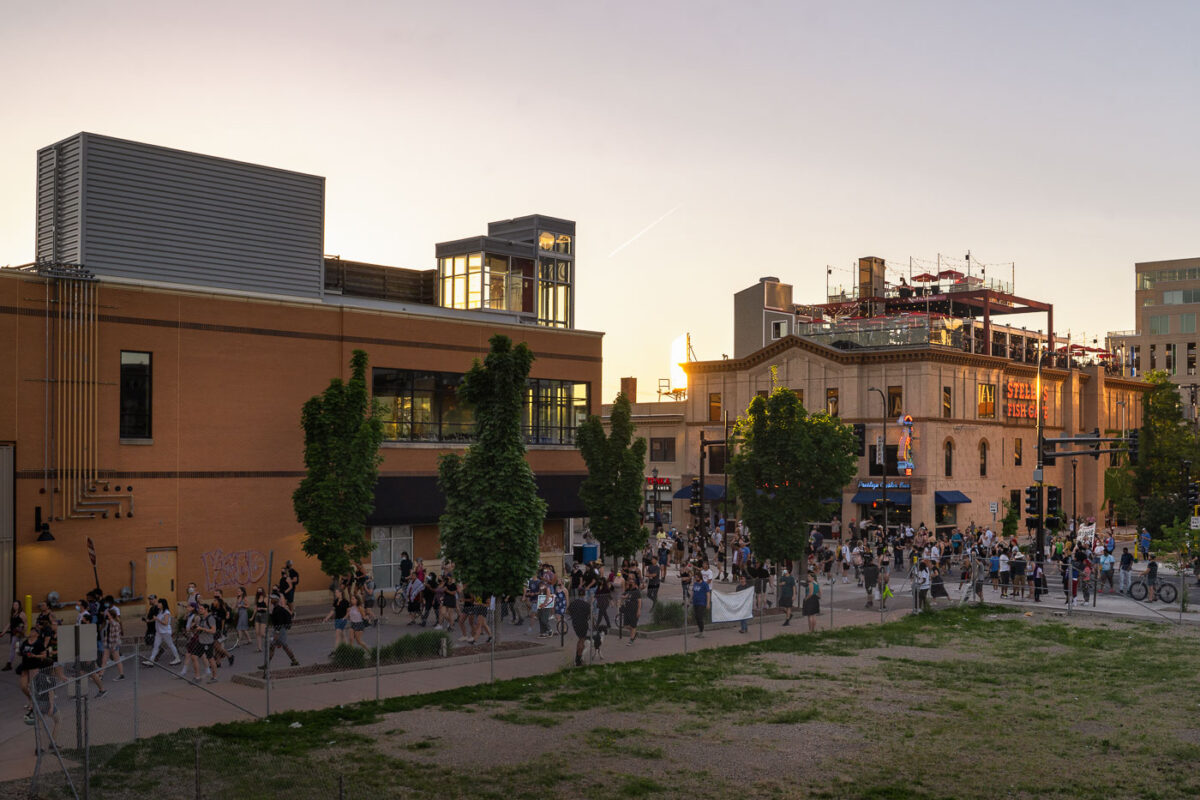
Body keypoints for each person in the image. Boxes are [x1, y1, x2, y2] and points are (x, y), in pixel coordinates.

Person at [264, 593, 300, 671]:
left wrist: (277, 633)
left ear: (276, 600)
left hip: (280, 630)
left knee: (284, 646)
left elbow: (279, 622)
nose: (271, 600)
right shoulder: (276, 608)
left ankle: (294, 661)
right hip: (278, 629)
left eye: (272, 599)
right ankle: (267, 664)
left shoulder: (278, 609)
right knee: (273, 646)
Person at [144, 598, 181, 667]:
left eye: (159, 603)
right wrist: (150, 621)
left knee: (170, 644)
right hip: (159, 632)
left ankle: (177, 658)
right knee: (156, 646)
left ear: (162, 604)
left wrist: (157, 619)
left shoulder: (166, 612)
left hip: (165, 632)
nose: (157, 604)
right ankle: (151, 660)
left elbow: (166, 623)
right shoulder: (160, 611)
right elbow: (156, 619)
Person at [99, 606, 125, 681]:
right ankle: (101, 675)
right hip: (108, 644)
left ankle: (121, 674)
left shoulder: (115, 624)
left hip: (113, 645)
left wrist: (113, 647)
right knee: (104, 660)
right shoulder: (108, 623)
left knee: (117, 660)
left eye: (108, 614)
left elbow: (117, 636)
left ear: (111, 615)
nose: (106, 615)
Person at [567, 596, 592, 667]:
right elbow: (590, 615)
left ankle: (577, 658)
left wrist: (574, 615)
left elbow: (568, 611)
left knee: (580, 639)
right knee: (582, 640)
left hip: (575, 623)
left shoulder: (574, 603)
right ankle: (578, 659)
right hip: (583, 623)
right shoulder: (586, 604)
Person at [2, 600, 27, 671]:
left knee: (13, 648)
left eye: (16, 605)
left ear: (19, 606)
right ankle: (27, 656)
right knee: (18, 650)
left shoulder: (22, 614)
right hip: (13, 634)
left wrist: (23, 632)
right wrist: (3, 632)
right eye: (14, 605)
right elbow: (9, 624)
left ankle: (9, 664)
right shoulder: (13, 614)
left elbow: (26, 624)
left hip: (18, 635)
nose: (15, 606)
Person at [622, 576, 642, 645]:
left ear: (635, 584)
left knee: (633, 625)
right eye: (629, 581)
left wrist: (639, 610)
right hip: (627, 610)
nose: (630, 583)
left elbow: (639, 602)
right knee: (625, 625)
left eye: (632, 582)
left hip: (634, 610)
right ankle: (634, 633)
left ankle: (631, 639)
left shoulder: (637, 592)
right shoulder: (629, 591)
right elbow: (624, 596)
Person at [691, 571, 711, 637]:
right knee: (696, 617)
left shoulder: (704, 584)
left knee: (700, 617)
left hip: (702, 603)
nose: (696, 578)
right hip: (695, 602)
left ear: (700, 577)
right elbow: (693, 592)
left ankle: (702, 631)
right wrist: (689, 600)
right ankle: (700, 631)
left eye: (697, 577)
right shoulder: (695, 584)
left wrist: (708, 603)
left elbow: (708, 594)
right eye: (695, 577)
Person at [254, 587, 269, 652]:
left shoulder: (265, 598)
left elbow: (267, 609)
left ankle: (270, 640)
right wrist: (252, 617)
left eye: (260, 591)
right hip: (257, 616)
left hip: (263, 615)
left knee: (262, 633)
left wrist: (262, 608)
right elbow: (255, 608)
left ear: (263, 591)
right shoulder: (257, 599)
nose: (259, 592)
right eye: (258, 591)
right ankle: (259, 648)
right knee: (257, 633)